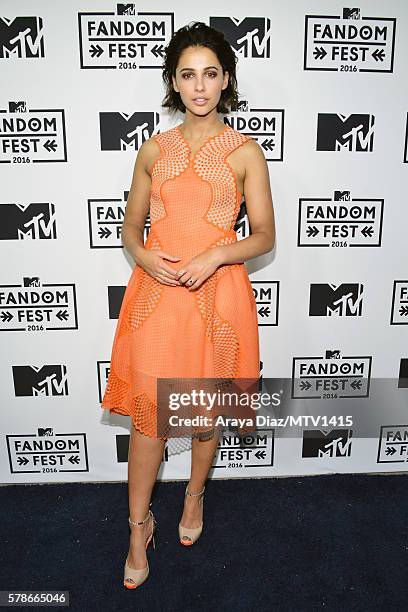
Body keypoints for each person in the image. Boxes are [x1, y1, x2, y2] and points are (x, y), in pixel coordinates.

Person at [101, 21, 275, 589]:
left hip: (218, 297)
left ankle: (194, 498)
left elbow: (264, 237)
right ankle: (137, 524)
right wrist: (144, 258)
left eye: (210, 74)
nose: (199, 86)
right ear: (173, 84)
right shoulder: (153, 150)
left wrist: (219, 254)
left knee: (202, 416)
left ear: (226, 80)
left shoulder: (246, 153)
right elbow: (130, 232)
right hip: (158, 297)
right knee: (150, 420)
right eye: (187, 75)